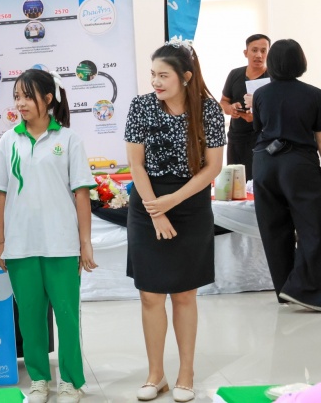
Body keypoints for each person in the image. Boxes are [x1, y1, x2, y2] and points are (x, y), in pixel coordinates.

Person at [124, 41, 225, 403]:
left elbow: (213, 167)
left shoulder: (209, 109)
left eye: (163, 75)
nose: (155, 82)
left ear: (185, 77)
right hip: (148, 202)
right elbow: (135, 164)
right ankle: (156, 375)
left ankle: (186, 373)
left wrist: (173, 201)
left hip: (190, 204)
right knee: (150, 294)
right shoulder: (140, 106)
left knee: (184, 294)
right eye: (153, 74)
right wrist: (157, 210)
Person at [0, 69, 97, 403]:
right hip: (21, 245)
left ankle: (70, 381)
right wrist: (0, 242)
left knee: (67, 316)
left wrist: (85, 243)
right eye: (16, 97)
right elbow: (1, 194)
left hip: (61, 244)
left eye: (27, 96)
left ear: (48, 99)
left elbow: (81, 194)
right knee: (30, 318)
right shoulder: (9, 140)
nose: (20, 103)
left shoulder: (69, 140)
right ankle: (39, 379)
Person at [250, 39, 321, 311]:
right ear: (301, 61)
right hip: (299, 164)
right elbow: (319, 138)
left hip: (264, 163)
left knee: (273, 229)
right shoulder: (315, 95)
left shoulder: (260, 95)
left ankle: (285, 291)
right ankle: (305, 291)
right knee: (313, 227)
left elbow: (260, 128)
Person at [219, 34, 270, 180]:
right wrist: (231, 109)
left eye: (263, 51)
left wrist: (256, 117)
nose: (259, 55)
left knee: (258, 182)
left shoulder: (273, 78)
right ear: (246, 52)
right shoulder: (235, 74)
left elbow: (279, 112)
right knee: (235, 182)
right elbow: (223, 101)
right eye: (254, 50)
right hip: (236, 138)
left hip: (262, 139)